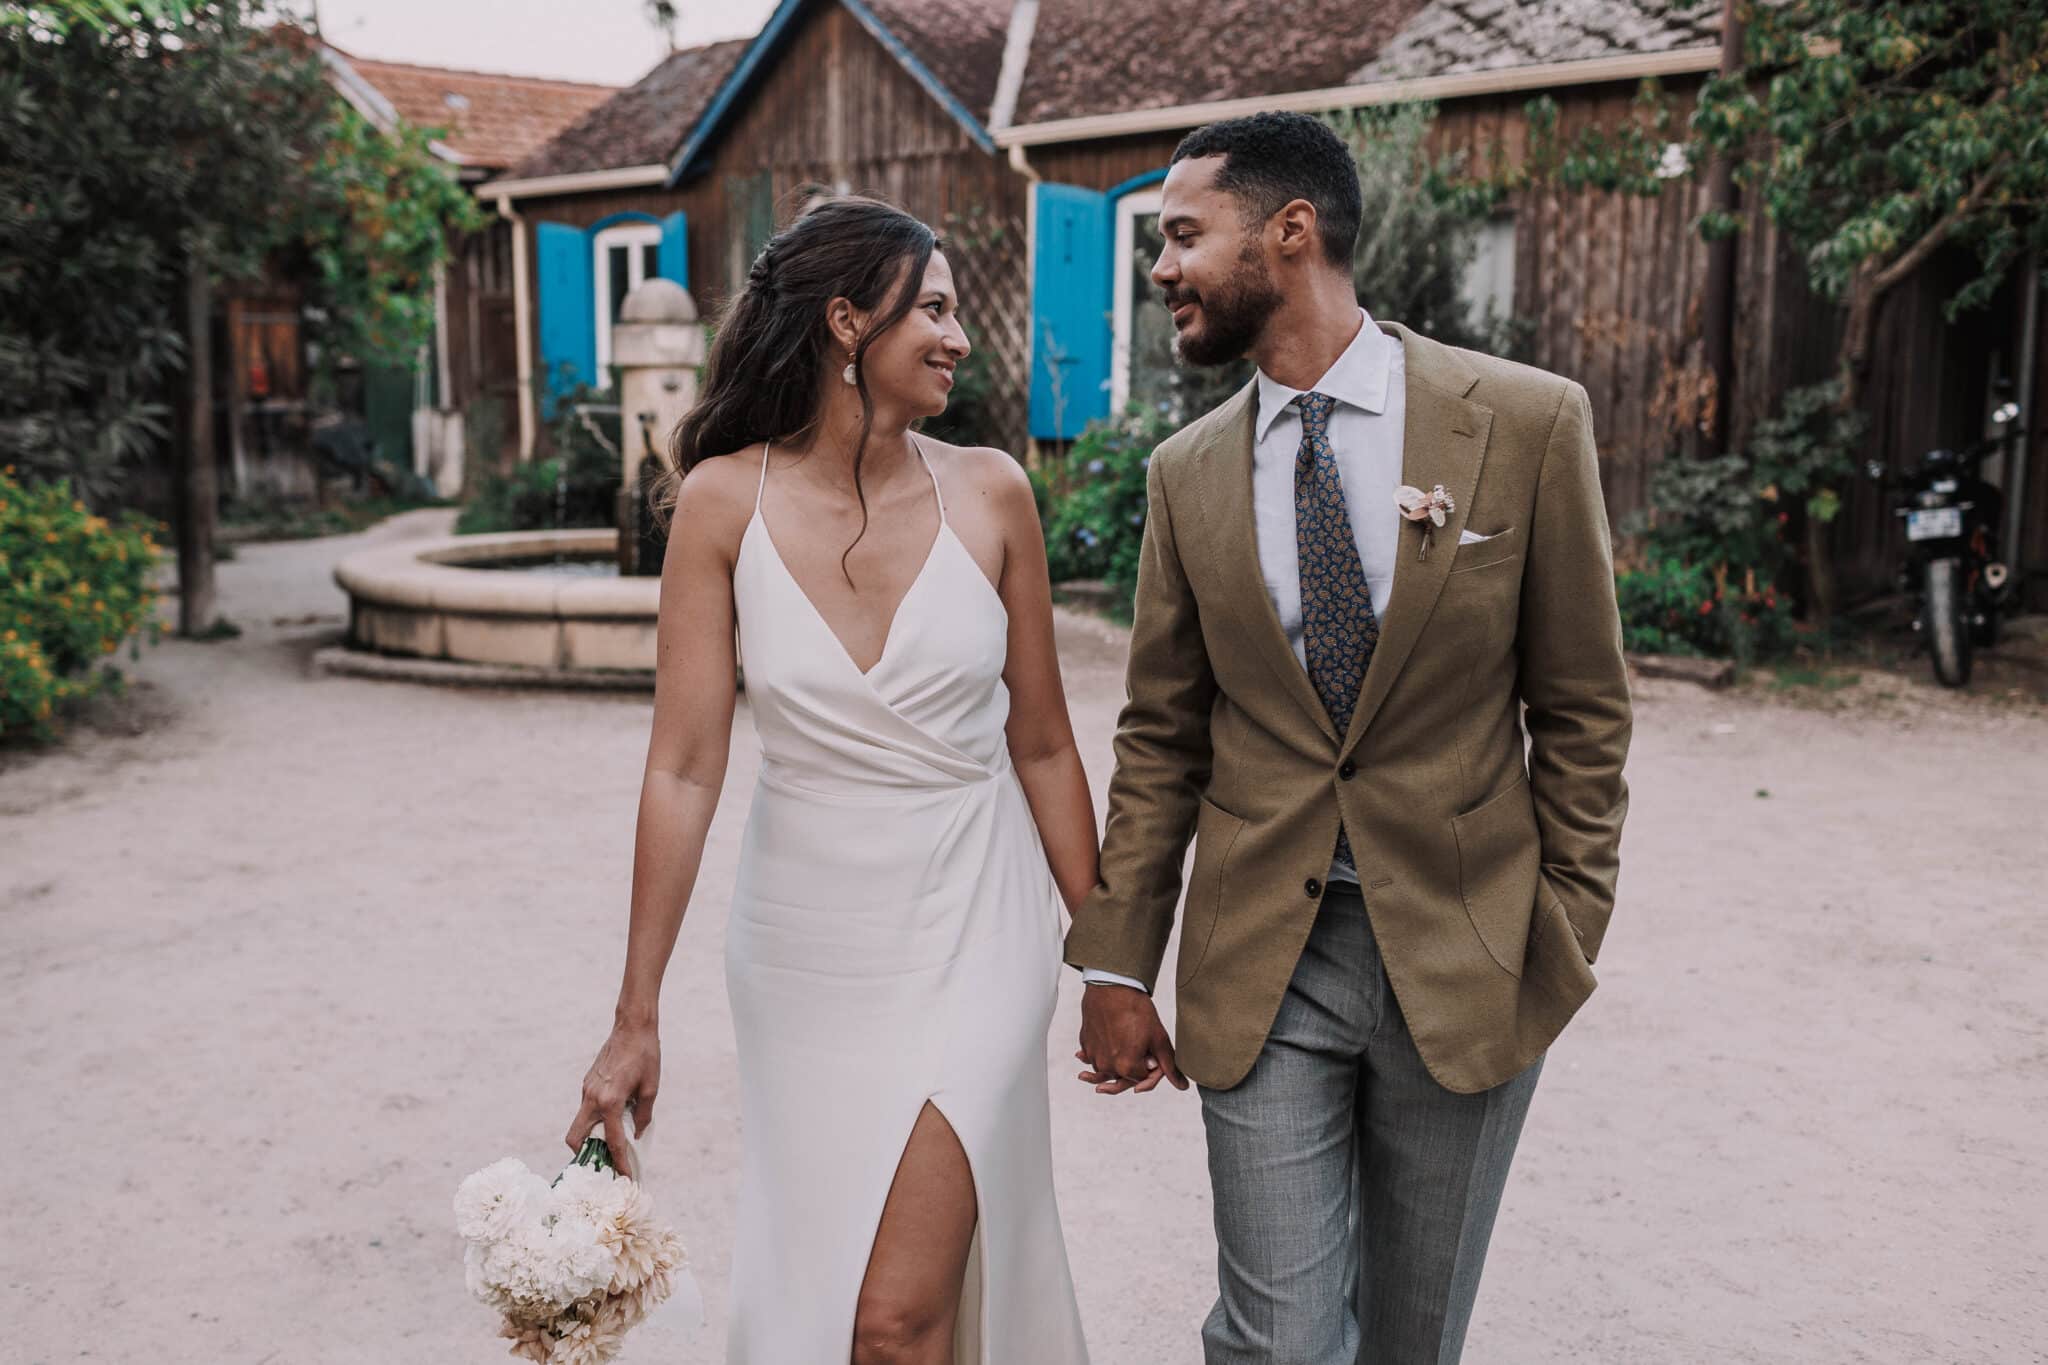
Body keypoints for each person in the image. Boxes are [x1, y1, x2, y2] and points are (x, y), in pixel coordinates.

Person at [1068, 112, 1634, 1364]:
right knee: (1275, 1343)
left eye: (1179, 236)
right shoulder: (1183, 474)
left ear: (1289, 232)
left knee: (1411, 1339)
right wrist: (1117, 964)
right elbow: (1161, 735)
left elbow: (1583, 710)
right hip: (1264, 957)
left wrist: (1559, 930)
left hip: (1465, 942)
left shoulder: (1526, 424)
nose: (1160, 267)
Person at [565, 196, 1094, 1365]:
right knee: (827, 1288)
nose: (961, 337)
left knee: (893, 1319)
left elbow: (1045, 743)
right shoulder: (717, 503)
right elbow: (686, 767)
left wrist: (1106, 959)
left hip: (976, 919)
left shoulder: (995, 492)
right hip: (803, 950)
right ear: (847, 322)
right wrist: (634, 1015)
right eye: (937, 309)